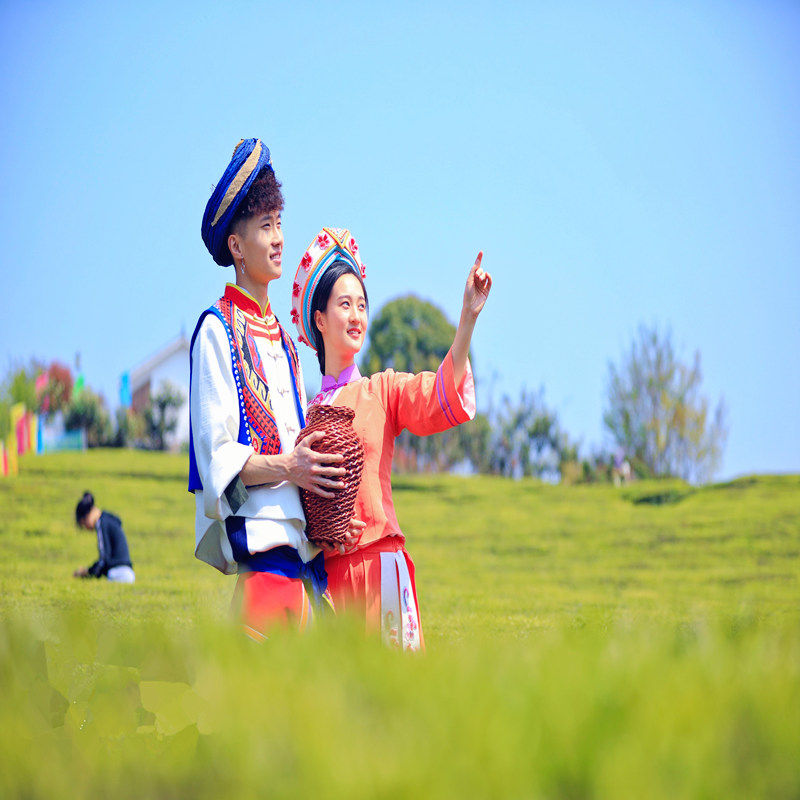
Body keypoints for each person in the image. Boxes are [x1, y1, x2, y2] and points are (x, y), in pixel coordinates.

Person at [291, 227, 492, 650]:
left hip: (381, 570)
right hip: (326, 584)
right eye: (344, 304)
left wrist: (467, 320)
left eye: (362, 305)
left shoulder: (382, 390)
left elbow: (437, 395)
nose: (357, 315)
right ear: (320, 319)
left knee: (396, 704)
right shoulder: (300, 415)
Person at [191, 139, 357, 640]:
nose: (280, 238)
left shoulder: (286, 344)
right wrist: (290, 467)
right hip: (263, 572)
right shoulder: (216, 331)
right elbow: (219, 470)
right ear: (236, 247)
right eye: (266, 226)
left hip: (309, 572)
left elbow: (299, 452)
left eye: (280, 222)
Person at [73, 491, 135, 583]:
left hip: (117, 573)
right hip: (128, 573)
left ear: (88, 515)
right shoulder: (109, 520)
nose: (87, 528)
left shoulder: (102, 523)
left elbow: (104, 560)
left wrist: (87, 573)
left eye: (84, 523)